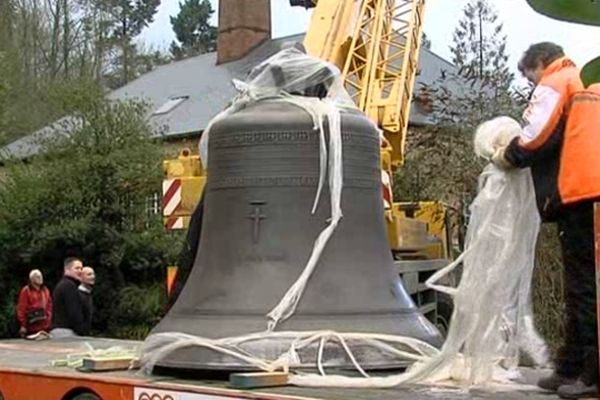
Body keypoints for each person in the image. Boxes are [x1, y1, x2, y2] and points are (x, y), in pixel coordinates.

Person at [493, 42, 600, 399]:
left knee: (586, 287)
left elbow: (535, 138)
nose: (531, 84)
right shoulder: (586, 81)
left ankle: (592, 374)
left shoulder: (557, 80)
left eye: (529, 76)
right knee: (581, 284)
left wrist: (507, 154)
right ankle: (571, 366)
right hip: (589, 192)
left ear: (540, 63)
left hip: (583, 193)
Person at [51, 257, 86, 337]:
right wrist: (81, 330)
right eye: (77, 268)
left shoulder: (63, 284)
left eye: (81, 268)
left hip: (59, 330)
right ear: (67, 270)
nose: (80, 271)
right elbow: (74, 312)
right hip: (66, 332)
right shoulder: (69, 286)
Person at [16, 269, 52, 337]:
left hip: (45, 327)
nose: (40, 278)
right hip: (32, 327)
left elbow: (50, 306)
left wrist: (49, 319)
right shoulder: (26, 291)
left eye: (41, 276)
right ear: (32, 279)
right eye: (37, 276)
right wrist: (23, 325)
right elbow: (21, 309)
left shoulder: (45, 290)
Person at [78, 266, 95, 335]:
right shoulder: (78, 294)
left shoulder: (88, 294)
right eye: (89, 274)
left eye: (93, 274)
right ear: (80, 277)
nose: (93, 277)